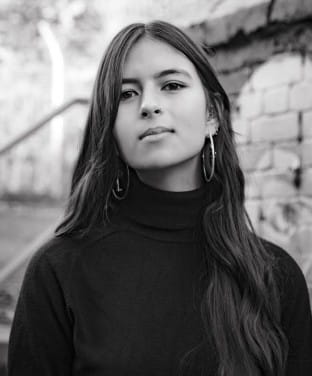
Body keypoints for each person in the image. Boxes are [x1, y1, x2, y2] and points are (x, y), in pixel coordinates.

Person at [7, 20, 312, 376]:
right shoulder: (59, 270)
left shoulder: (275, 277)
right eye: (126, 94)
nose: (149, 106)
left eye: (171, 85)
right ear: (110, 127)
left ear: (212, 115)